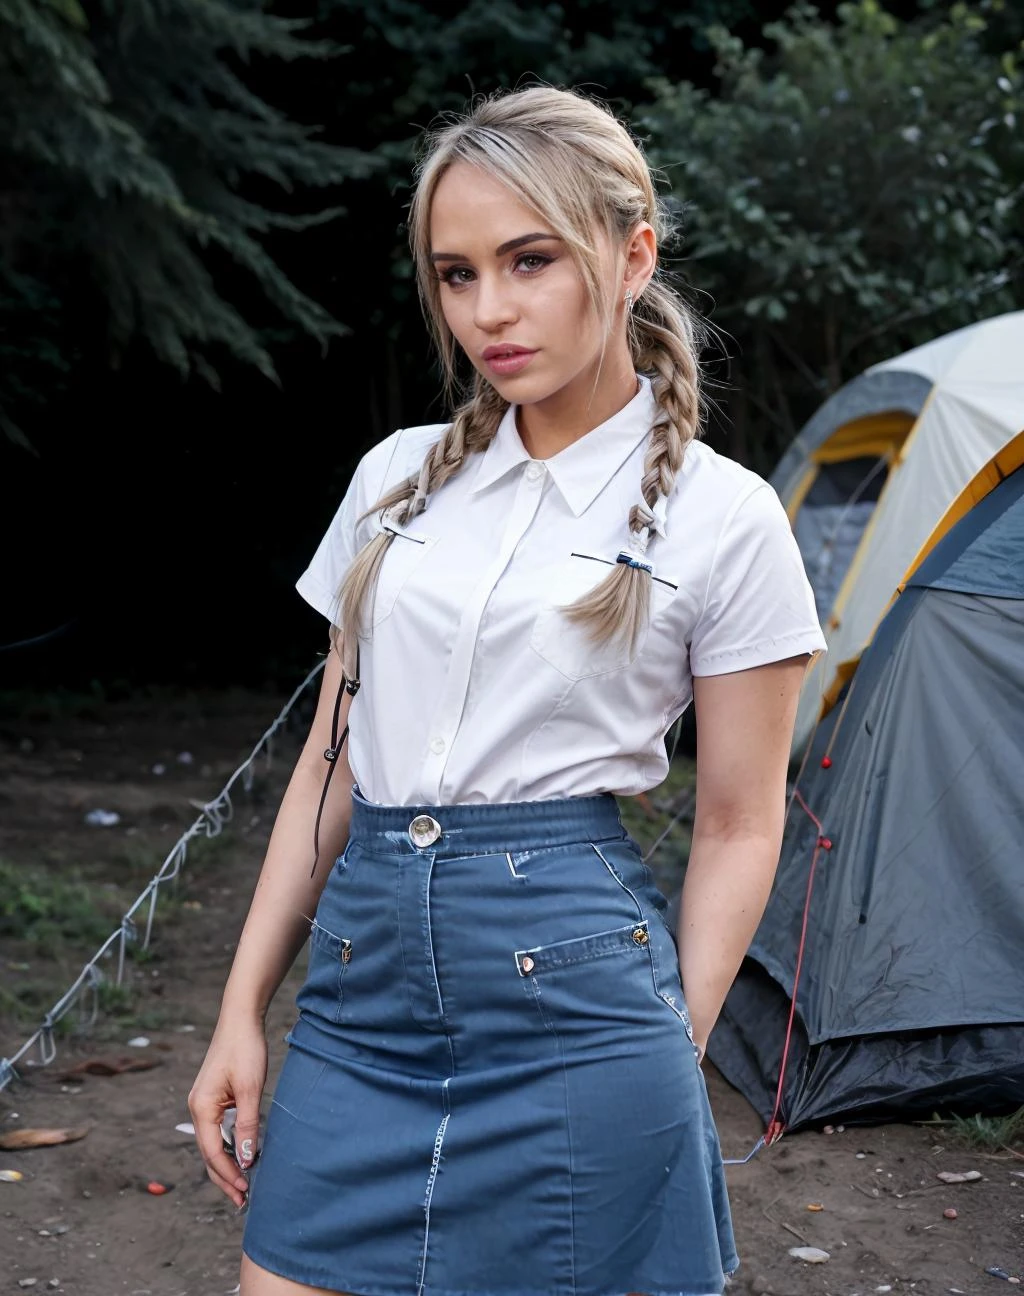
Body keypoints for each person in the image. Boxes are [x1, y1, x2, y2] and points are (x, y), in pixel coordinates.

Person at [189, 84, 827, 1296]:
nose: (490, 310)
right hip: (363, 992)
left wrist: (669, 1045)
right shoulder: (394, 481)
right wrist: (240, 1011)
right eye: (456, 273)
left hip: (578, 995)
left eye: (528, 260)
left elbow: (743, 825)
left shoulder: (727, 516)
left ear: (631, 255)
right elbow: (327, 767)